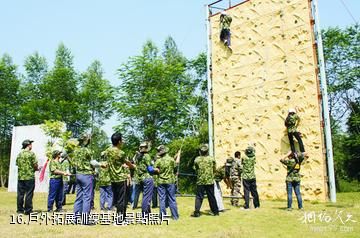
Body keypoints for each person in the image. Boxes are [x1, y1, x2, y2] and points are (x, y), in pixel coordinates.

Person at [73, 134, 103, 222]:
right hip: (87, 175)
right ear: (86, 141)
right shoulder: (88, 151)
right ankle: (85, 220)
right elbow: (93, 162)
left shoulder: (76, 151)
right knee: (87, 197)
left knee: (79, 197)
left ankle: (75, 218)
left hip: (78, 175)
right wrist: (101, 165)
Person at [103, 132, 134, 215]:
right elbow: (127, 163)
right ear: (119, 141)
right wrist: (133, 166)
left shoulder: (108, 151)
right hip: (121, 178)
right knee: (122, 200)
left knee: (116, 199)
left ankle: (119, 217)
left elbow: (104, 156)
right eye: (122, 140)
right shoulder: (121, 153)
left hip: (113, 178)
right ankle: (120, 220)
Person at [192, 144, 219, 217]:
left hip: (200, 181)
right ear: (207, 151)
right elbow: (214, 169)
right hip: (210, 180)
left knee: (199, 197)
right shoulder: (211, 159)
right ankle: (215, 212)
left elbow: (195, 169)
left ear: (200, 151)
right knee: (211, 196)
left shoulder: (197, 159)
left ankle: (197, 212)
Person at [154, 145, 179, 220]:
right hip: (170, 181)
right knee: (172, 198)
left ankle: (162, 216)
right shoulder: (171, 160)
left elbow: (154, 170)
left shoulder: (158, 161)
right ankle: (175, 216)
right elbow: (175, 169)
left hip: (161, 182)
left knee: (162, 199)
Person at [16, 139, 39, 214]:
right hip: (29, 177)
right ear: (28, 145)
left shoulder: (19, 154)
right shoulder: (31, 154)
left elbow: (17, 164)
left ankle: (20, 210)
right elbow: (35, 165)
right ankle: (28, 210)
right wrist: (37, 169)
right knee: (29, 194)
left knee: (20, 194)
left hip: (21, 177)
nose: (31, 146)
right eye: (31, 144)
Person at [135, 142, 157, 215]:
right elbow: (150, 169)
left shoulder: (137, 157)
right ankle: (145, 214)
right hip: (147, 178)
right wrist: (156, 170)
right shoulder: (147, 156)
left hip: (140, 178)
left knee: (145, 196)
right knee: (147, 197)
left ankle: (148, 213)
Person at [242, 145, 260, 209]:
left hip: (245, 177)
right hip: (252, 176)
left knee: (246, 192)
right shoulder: (253, 158)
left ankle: (247, 206)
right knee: (254, 191)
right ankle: (257, 205)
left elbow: (242, 163)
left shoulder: (244, 158)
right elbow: (254, 153)